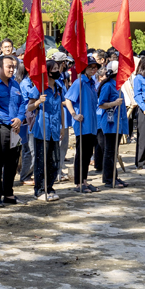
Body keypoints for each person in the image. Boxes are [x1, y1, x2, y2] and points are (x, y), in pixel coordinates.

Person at [0, 54, 24, 206]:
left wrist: (19, 118)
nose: (12, 69)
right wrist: (10, 121)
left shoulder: (15, 84)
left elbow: (22, 103)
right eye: (9, 66)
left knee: (12, 162)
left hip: (15, 128)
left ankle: (8, 193)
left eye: (13, 67)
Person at [29, 60, 65, 200]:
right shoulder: (39, 88)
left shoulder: (59, 87)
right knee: (41, 160)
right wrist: (38, 102)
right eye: (55, 68)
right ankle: (39, 189)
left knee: (54, 160)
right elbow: (29, 107)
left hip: (55, 129)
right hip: (42, 129)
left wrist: (63, 126)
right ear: (48, 72)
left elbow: (61, 107)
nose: (58, 71)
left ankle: (49, 187)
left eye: (58, 68)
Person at [64, 59, 101, 194]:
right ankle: (79, 183)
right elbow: (68, 99)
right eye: (90, 67)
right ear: (84, 68)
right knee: (81, 154)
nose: (93, 69)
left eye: (95, 67)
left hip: (92, 124)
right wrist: (74, 114)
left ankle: (84, 180)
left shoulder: (91, 83)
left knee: (88, 154)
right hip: (83, 124)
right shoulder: (79, 82)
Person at [97, 65, 129, 188]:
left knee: (114, 151)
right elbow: (101, 104)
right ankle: (108, 179)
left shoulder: (118, 85)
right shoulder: (108, 86)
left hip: (118, 123)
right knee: (109, 151)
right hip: (110, 124)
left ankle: (114, 176)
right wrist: (113, 103)